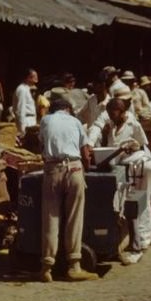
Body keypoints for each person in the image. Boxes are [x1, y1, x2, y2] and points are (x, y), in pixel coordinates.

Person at [38, 97, 98, 283]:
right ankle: (74, 266)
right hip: (74, 169)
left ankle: (47, 267)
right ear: (68, 109)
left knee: (50, 218)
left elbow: (41, 145)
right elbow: (86, 152)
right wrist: (86, 168)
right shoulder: (76, 122)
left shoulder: (45, 120)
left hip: (53, 170)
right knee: (74, 218)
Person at [100, 97, 151, 264]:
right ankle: (138, 239)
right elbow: (108, 147)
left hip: (140, 166)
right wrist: (104, 134)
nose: (111, 116)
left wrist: (133, 147)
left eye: (114, 112)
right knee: (130, 204)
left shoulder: (133, 124)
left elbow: (144, 144)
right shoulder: (111, 126)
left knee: (139, 202)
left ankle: (142, 241)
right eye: (109, 113)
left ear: (123, 112)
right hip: (125, 168)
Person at [13, 68, 39, 139]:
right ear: (28, 78)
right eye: (34, 76)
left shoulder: (28, 89)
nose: (36, 78)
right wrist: (22, 129)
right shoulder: (22, 89)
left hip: (31, 120)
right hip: (26, 121)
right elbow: (20, 109)